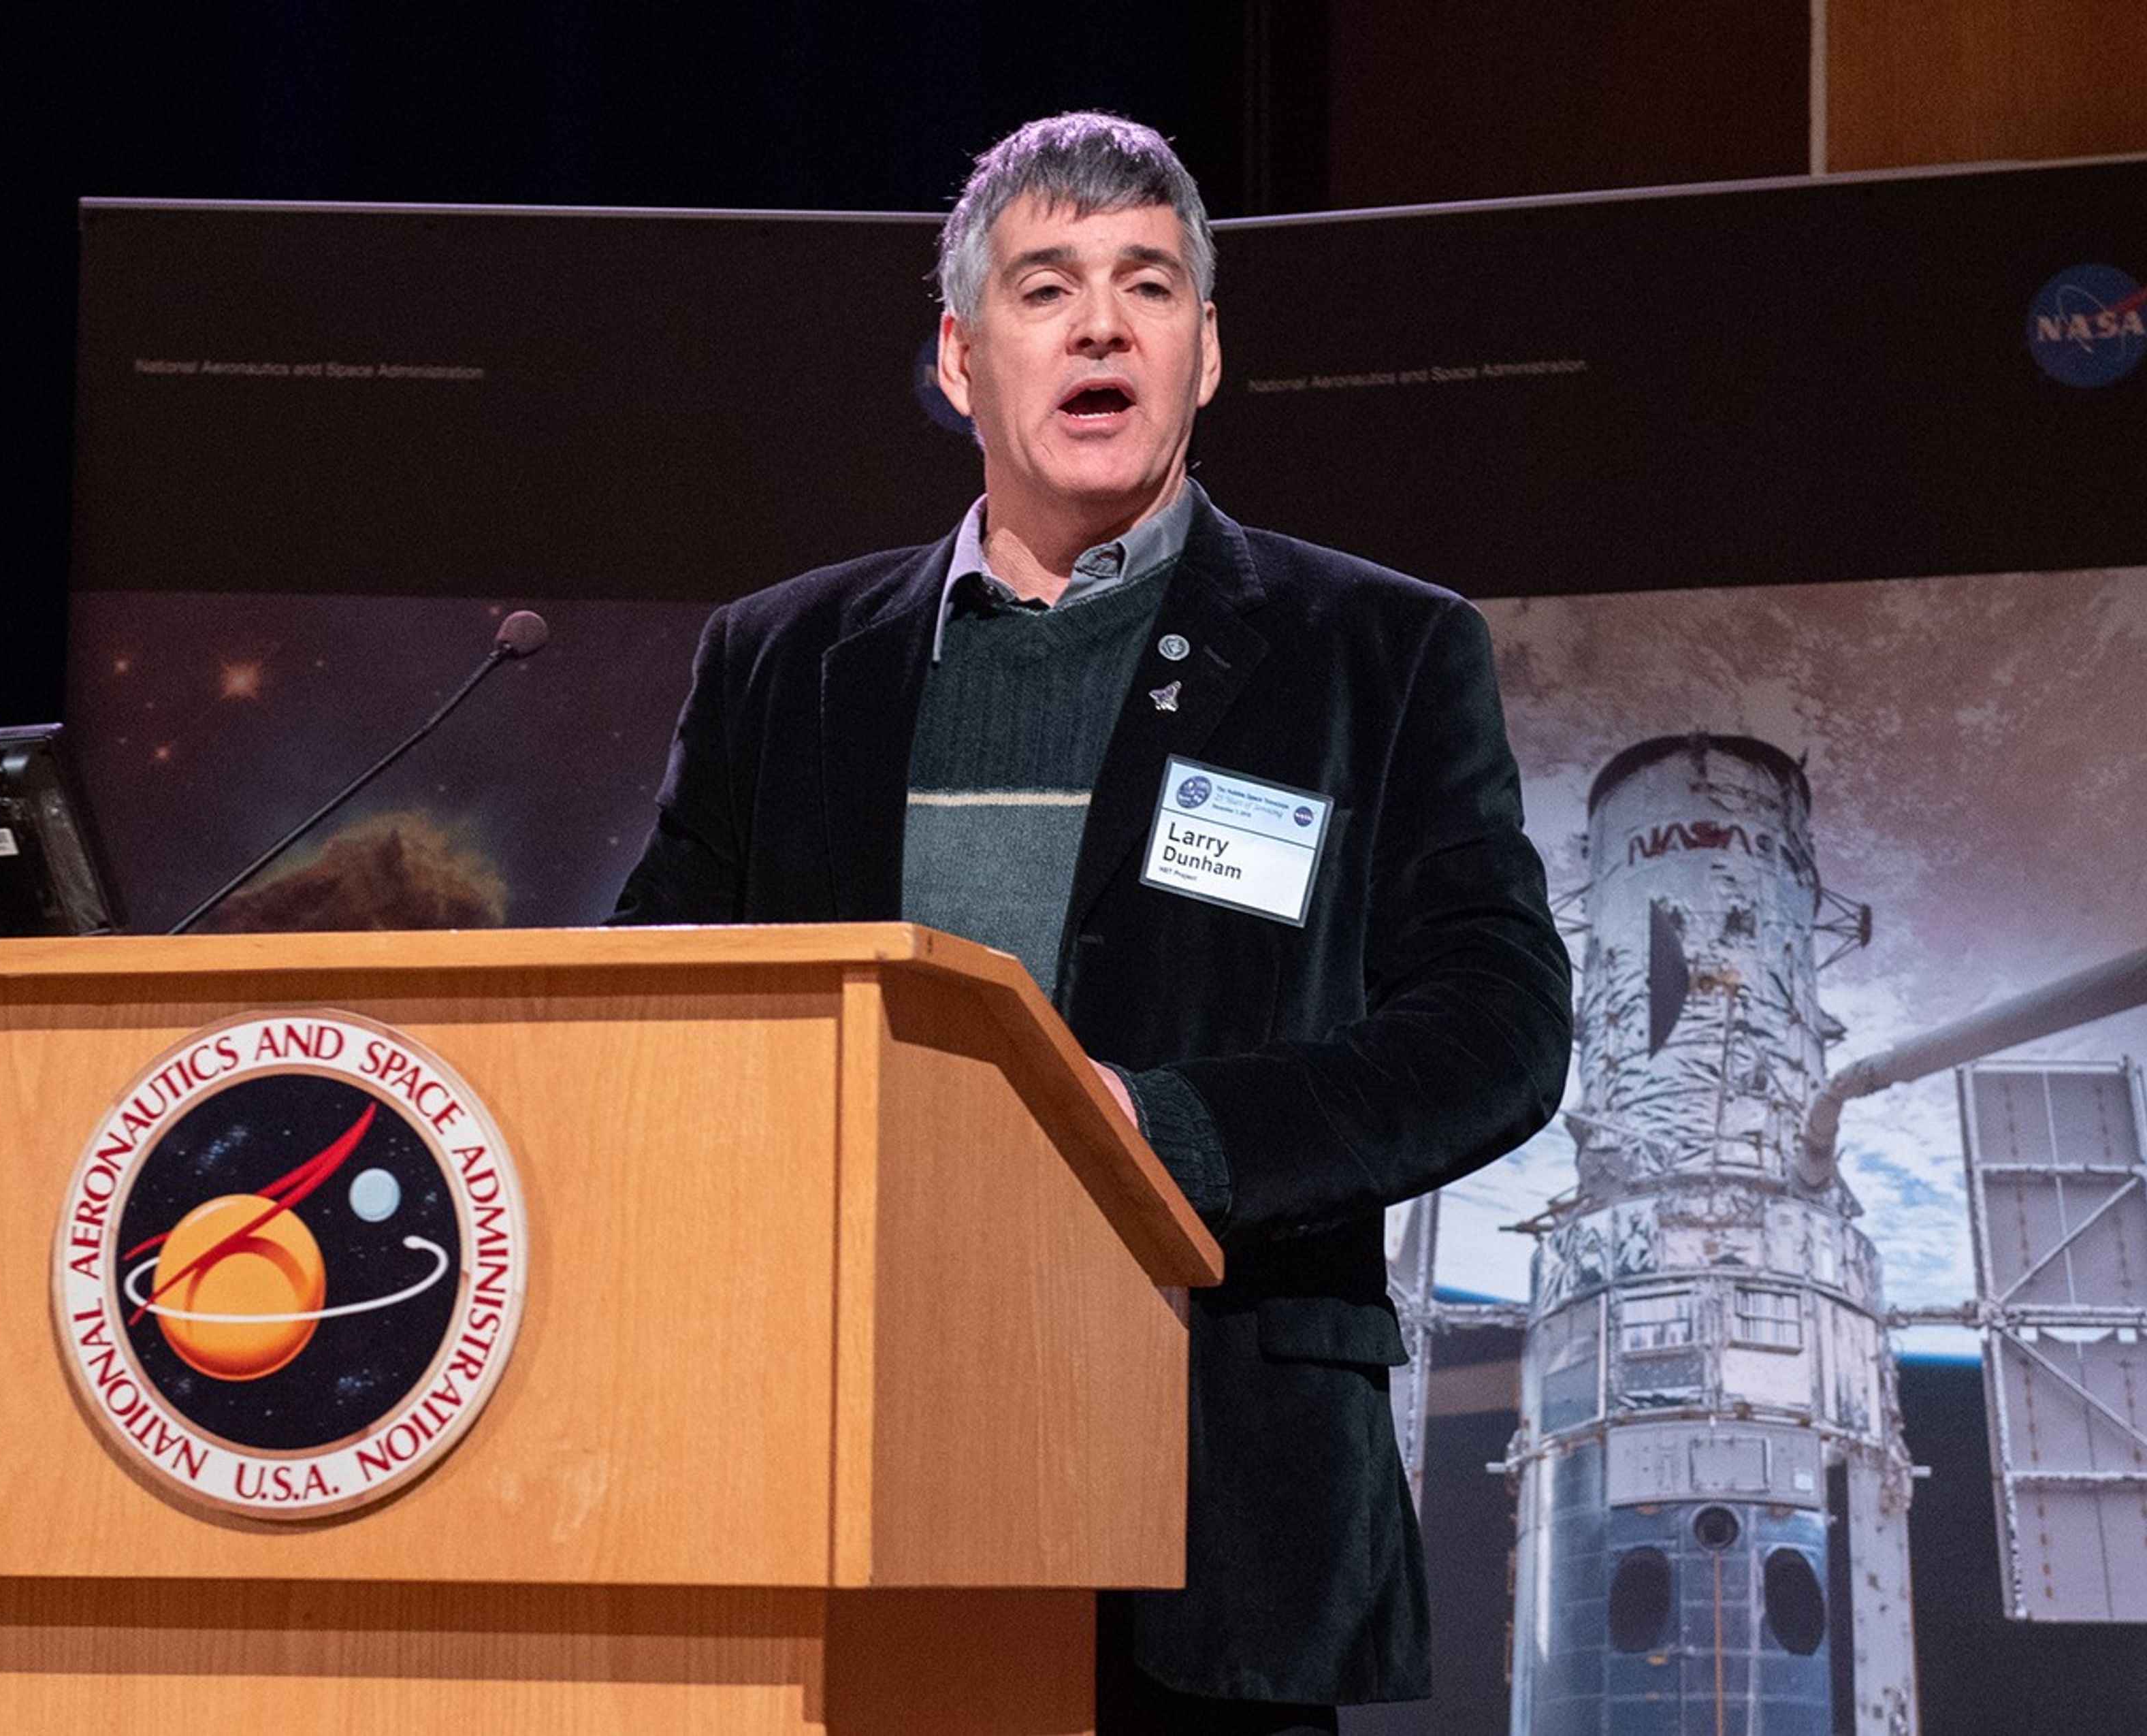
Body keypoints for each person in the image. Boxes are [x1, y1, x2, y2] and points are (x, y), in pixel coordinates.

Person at [613, 111, 1570, 1735]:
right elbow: (660, 1016)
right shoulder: (779, 661)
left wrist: (1168, 1132)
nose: (1103, 325)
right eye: (1046, 286)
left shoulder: (1378, 652)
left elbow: (1497, 1028)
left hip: (1213, 1502)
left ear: (1207, 352)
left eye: (1150, 284)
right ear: (961, 357)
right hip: (831, 1477)